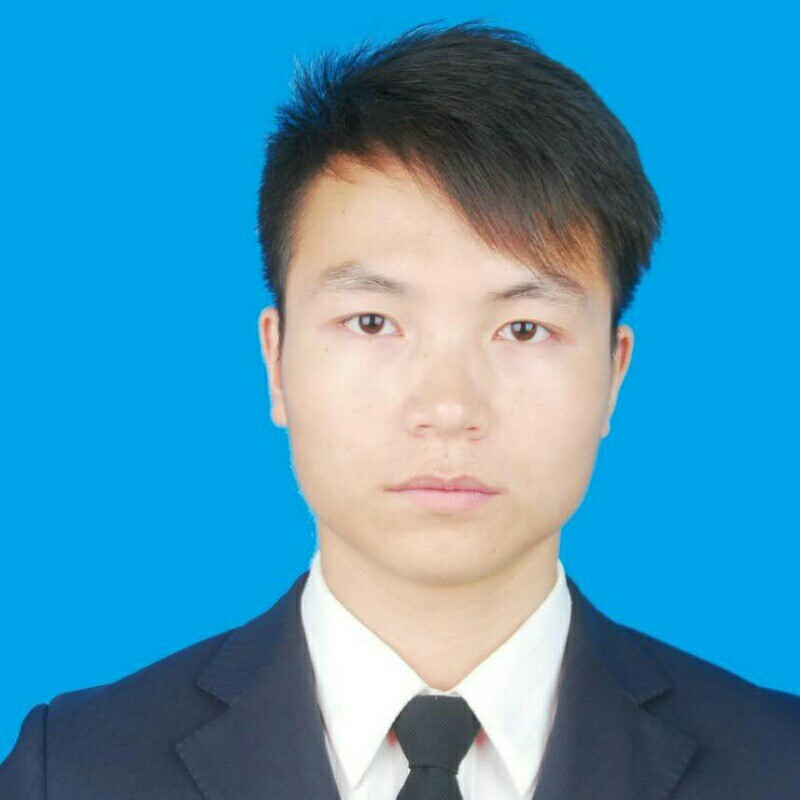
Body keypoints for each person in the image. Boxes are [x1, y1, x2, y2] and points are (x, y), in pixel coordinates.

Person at [2, 18, 798, 800]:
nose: (448, 408)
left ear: (613, 374)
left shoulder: (777, 765)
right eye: (373, 322)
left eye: (523, 328)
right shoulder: (73, 771)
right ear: (276, 361)